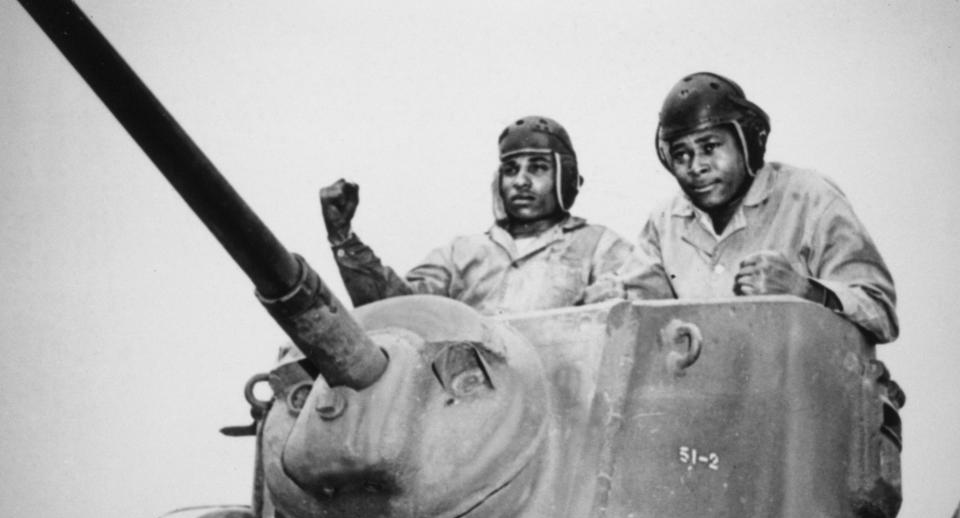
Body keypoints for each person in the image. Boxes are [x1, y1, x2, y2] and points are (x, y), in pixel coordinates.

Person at [635, 72, 898, 344]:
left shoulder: (810, 198)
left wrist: (805, 291)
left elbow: (881, 313)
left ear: (747, 143)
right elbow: (636, 315)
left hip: (800, 383)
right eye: (681, 154)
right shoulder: (665, 222)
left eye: (710, 146)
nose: (696, 166)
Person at [320, 116, 656, 314]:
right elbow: (397, 310)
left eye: (537, 167)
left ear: (565, 178)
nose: (520, 180)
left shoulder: (600, 246)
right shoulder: (460, 254)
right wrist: (343, 239)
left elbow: (628, 313)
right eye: (511, 169)